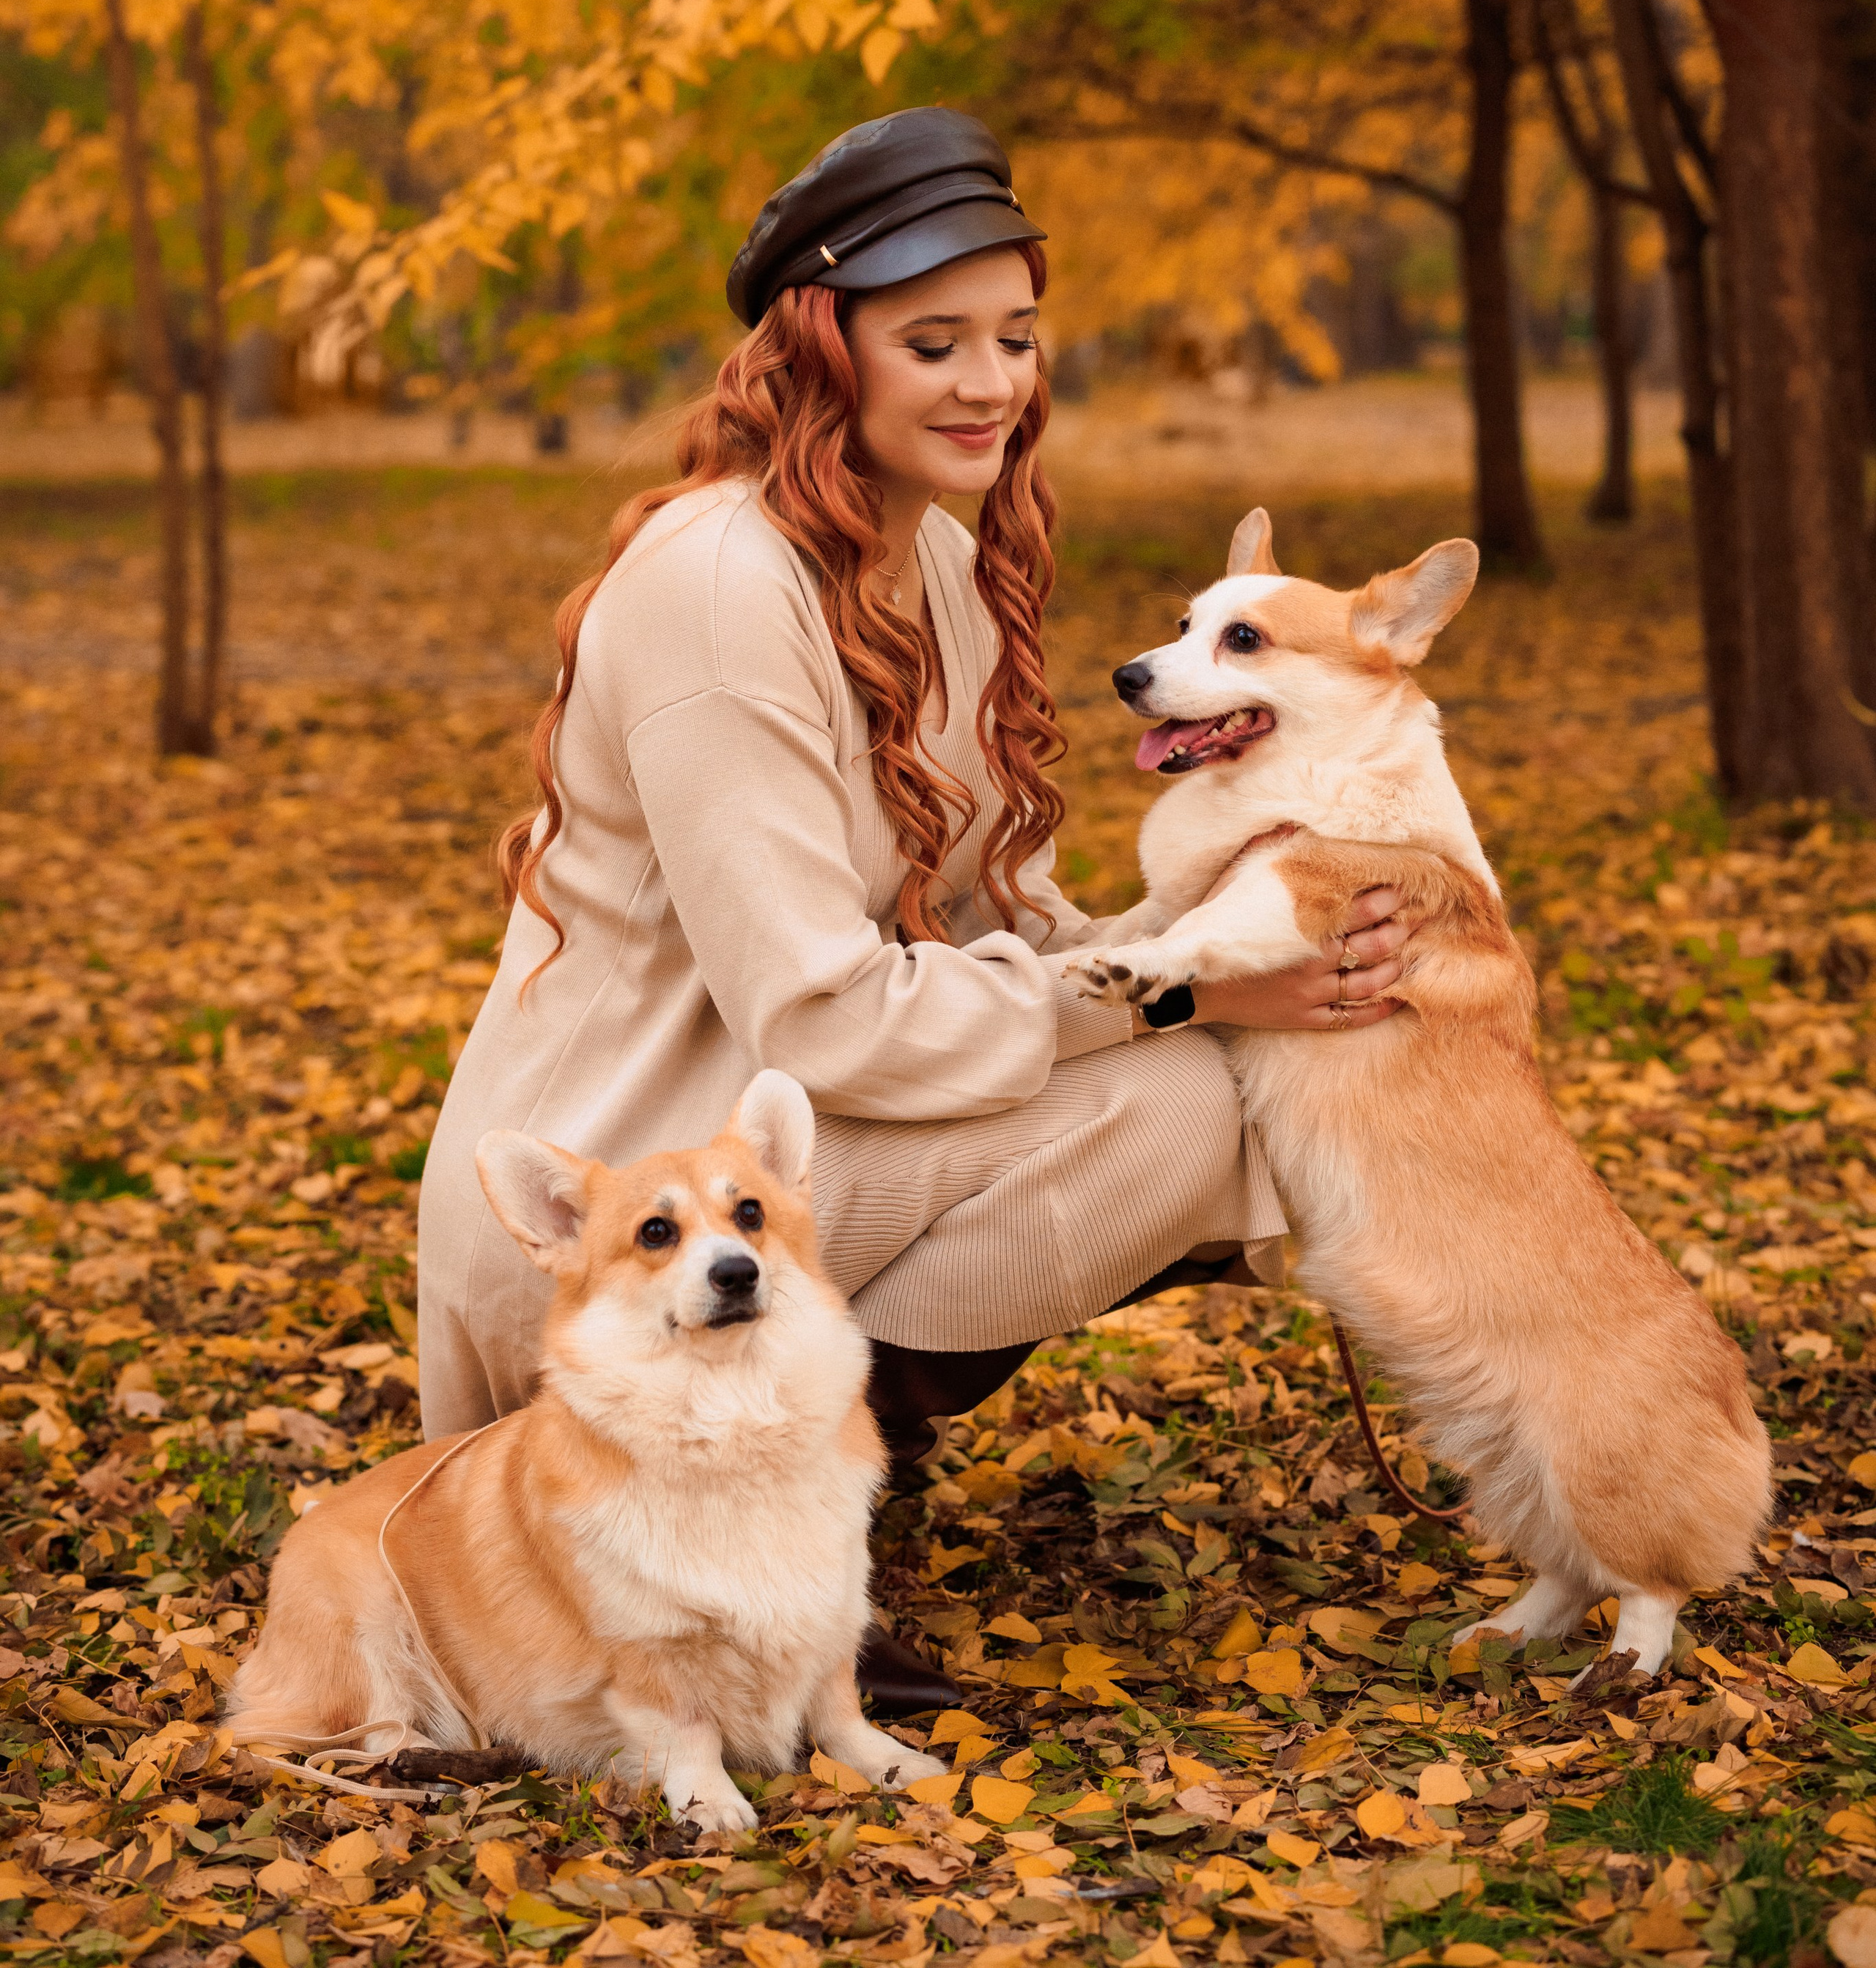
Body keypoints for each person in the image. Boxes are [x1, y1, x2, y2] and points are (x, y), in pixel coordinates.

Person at [418, 108, 1412, 1704]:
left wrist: (1241, 932)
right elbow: (820, 1014)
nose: (989, 381)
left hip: (779, 1132)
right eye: (932, 341)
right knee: (1177, 1098)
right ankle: (722, 1514)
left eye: (1014, 336)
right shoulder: (719, 587)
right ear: (821, 351)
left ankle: (809, 1473)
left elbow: (1000, 918)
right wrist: (1181, 992)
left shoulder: (930, 561)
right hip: (622, 1183)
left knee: (1210, 1074)